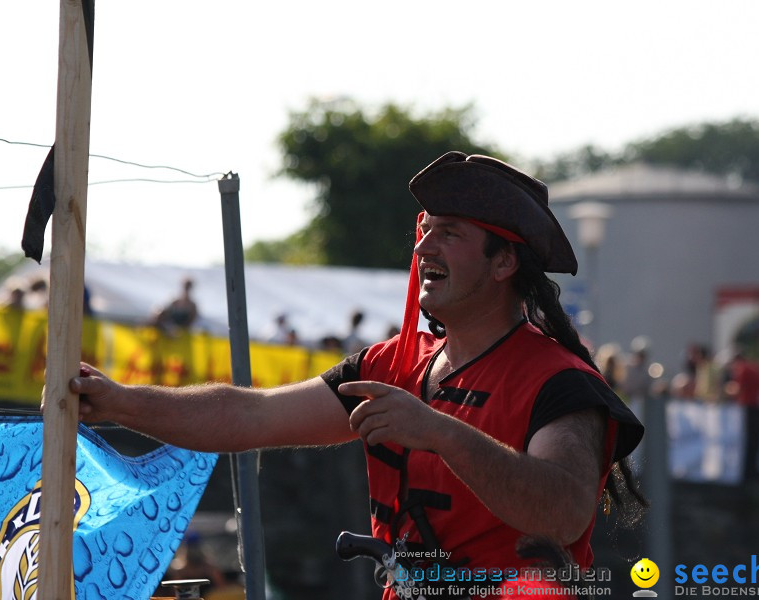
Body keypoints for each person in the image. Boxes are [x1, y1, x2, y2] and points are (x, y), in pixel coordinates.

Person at [69, 152, 645, 600]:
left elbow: (564, 511)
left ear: (503, 263)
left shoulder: (561, 382)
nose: (425, 245)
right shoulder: (391, 363)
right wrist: (119, 402)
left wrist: (440, 431)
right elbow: (251, 414)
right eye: (427, 228)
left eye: (451, 233)